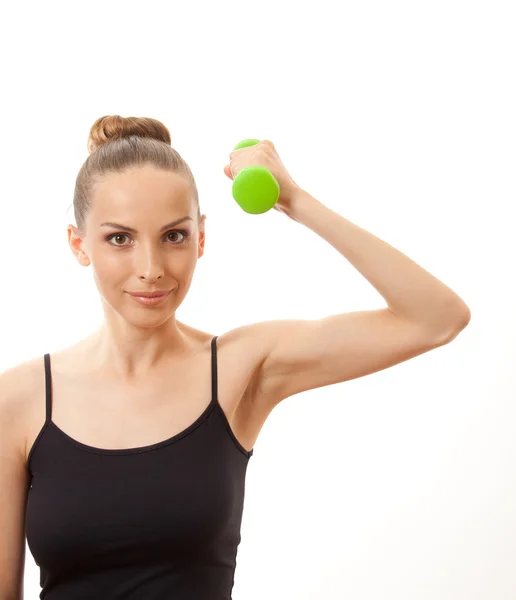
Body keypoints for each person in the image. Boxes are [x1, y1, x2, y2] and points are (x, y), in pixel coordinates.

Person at [0, 115, 471, 599]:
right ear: (80, 245)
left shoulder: (240, 369)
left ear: (201, 238)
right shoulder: (17, 401)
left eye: (174, 236)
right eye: (120, 238)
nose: (151, 269)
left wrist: (296, 201)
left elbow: (435, 318)